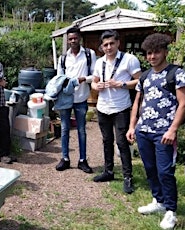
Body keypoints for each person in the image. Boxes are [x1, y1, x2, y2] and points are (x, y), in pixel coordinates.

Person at [126, 33, 185, 229]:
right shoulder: (145, 76)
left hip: (164, 133)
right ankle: (158, 201)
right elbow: (137, 102)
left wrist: (173, 129)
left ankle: (171, 210)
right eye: (149, 53)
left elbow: (184, 103)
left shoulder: (177, 73)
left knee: (165, 171)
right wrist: (132, 126)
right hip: (144, 130)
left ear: (165, 52)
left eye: (156, 52)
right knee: (150, 168)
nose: (152, 56)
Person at [90, 30, 141, 194]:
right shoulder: (99, 62)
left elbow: (140, 81)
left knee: (122, 142)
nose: (109, 47)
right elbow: (94, 81)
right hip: (103, 107)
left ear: (118, 43)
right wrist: (96, 86)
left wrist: (122, 84)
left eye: (112, 43)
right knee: (106, 141)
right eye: (105, 44)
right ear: (101, 47)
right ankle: (108, 171)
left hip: (121, 108)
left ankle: (128, 177)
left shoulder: (129, 60)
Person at [55, 27, 96, 173]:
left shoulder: (89, 54)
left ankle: (82, 160)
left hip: (81, 98)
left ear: (80, 38)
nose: (73, 41)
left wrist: (83, 79)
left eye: (75, 38)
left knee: (81, 130)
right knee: (65, 129)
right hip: (66, 98)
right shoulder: (63, 58)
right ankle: (65, 159)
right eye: (70, 38)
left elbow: (95, 75)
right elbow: (59, 78)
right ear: (68, 40)